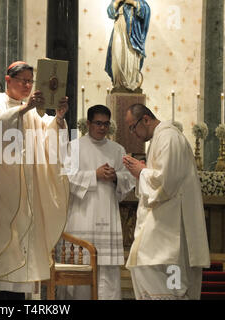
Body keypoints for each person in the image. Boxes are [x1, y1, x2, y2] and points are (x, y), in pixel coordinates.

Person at [0, 61, 70, 294]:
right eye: (22, 80)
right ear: (8, 80)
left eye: (30, 81)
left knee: (24, 241)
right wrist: (23, 110)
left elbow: (49, 139)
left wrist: (60, 118)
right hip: (2, 189)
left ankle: (17, 290)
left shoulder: (33, 112)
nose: (27, 85)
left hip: (27, 189)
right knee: (6, 236)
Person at [123, 103, 210, 300]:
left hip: (170, 236)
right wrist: (143, 172)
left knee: (169, 287)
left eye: (132, 127)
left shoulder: (169, 137)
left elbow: (166, 184)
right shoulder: (159, 139)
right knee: (147, 275)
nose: (132, 133)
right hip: (163, 232)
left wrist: (142, 172)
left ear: (145, 119)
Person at [57, 105, 135, 300]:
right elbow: (64, 178)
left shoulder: (117, 150)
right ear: (88, 123)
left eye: (106, 124)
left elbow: (129, 179)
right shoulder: (74, 147)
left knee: (107, 271)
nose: (102, 128)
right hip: (82, 216)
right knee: (81, 266)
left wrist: (116, 177)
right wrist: (94, 175)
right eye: (98, 123)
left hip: (107, 216)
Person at [105, 0, 151, 91]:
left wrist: (134, 3)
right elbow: (110, 12)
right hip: (119, 30)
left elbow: (146, 11)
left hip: (132, 34)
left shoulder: (139, 1)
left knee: (130, 57)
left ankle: (130, 84)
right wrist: (117, 2)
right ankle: (118, 83)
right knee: (117, 56)